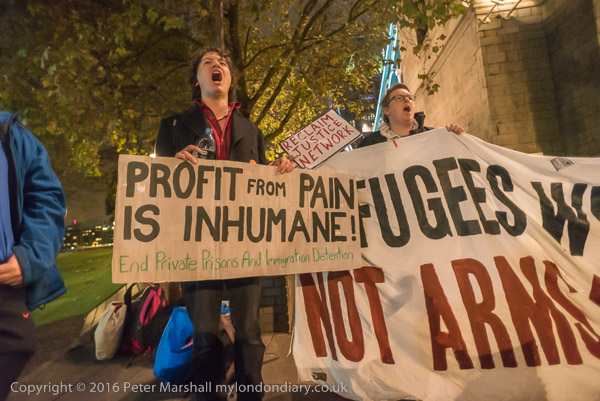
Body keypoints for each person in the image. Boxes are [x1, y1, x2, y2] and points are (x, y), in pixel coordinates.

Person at [155, 47, 295, 401]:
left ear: (229, 79)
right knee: (204, 335)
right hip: (196, 243)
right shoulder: (173, 126)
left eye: (222, 63)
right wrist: (172, 164)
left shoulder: (251, 129)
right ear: (197, 79)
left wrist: (278, 170)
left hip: (244, 244)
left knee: (249, 332)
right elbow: (157, 186)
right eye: (208, 62)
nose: (216, 66)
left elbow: (262, 184)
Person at [0, 112, 66, 400]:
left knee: (18, 344)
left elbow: (46, 198)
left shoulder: (9, 133)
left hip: (6, 285)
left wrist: (29, 257)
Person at [358, 83, 464, 148]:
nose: (406, 100)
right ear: (386, 110)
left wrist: (457, 139)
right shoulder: (369, 145)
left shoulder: (435, 136)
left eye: (410, 98)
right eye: (399, 98)